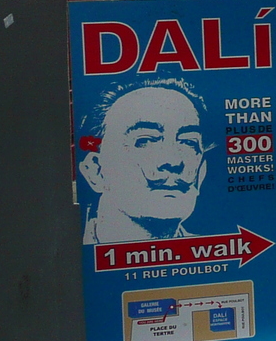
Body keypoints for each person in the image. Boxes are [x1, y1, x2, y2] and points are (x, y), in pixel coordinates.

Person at [78, 79, 210, 244]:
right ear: (96, 171)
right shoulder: (73, 255)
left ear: (201, 173)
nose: (174, 162)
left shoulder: (218, 256)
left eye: (188, 142)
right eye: (145, 140)